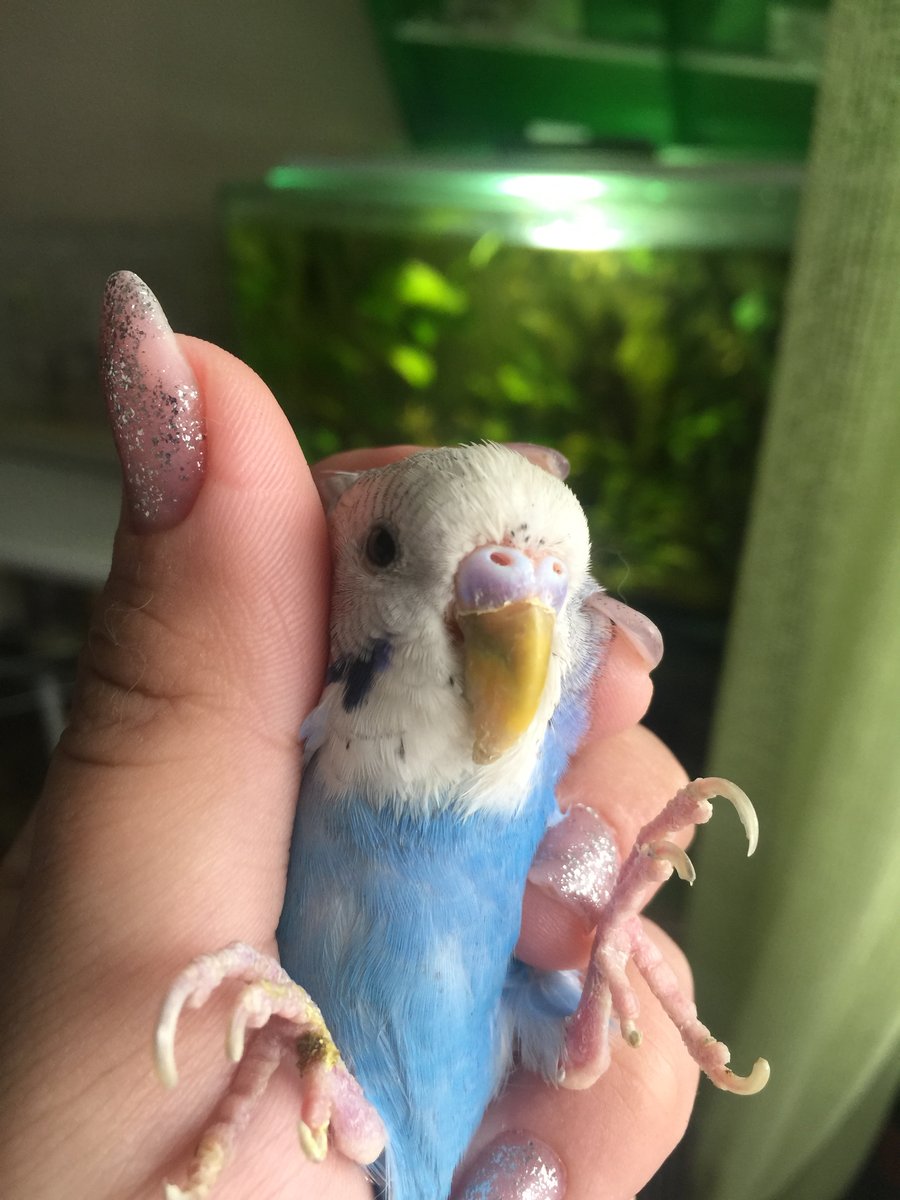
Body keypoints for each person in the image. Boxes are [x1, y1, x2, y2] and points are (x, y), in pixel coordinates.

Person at [0, 274, 697, 1200]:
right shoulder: (279, 750)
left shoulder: (533, 773)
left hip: (424, 1106)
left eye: (555, 599)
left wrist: (606, 946)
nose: (497, 616)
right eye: (385, 553)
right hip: (336, 1127)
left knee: (571, 987)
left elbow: (563, 1055)